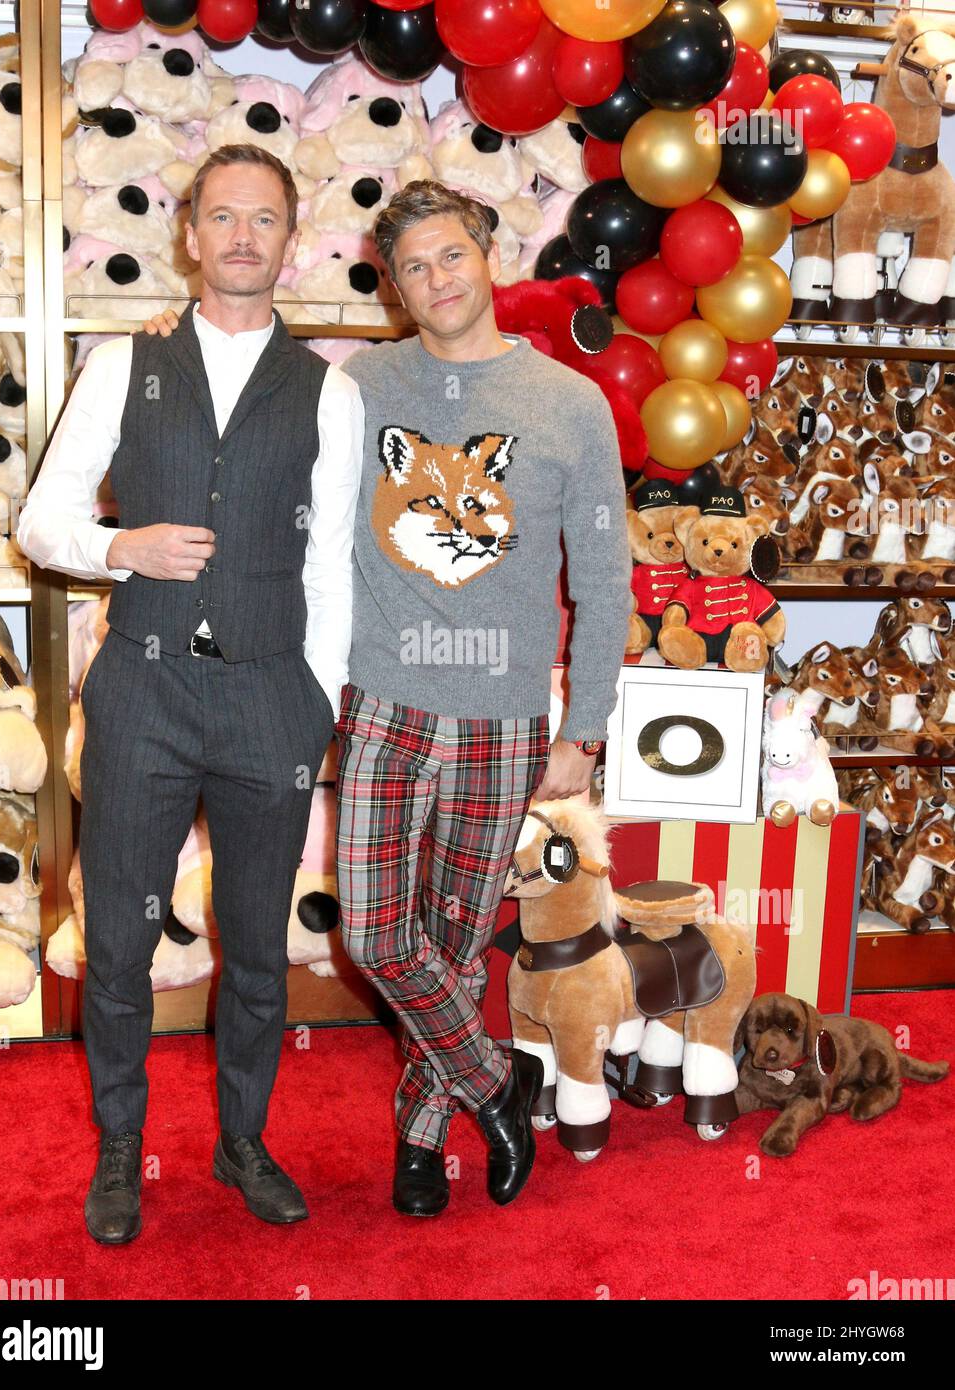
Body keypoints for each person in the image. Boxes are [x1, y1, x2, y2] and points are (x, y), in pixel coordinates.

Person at [17, 144, 363, 1244]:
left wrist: (319, 701)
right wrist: (124, 544)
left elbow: (335, 564)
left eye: (264, 218)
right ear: (190, 235)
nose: (243, 236)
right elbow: (40, 521)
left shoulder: (330, 390)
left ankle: (242, 1139)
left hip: (273, 696)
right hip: (143, 692)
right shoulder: (124, 365)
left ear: (290, 239)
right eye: (223, 216)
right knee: (115, 938)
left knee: (257, 944)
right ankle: (124, 1145)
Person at [336, 180, 631, 1216]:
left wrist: (582, 732)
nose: (434, 280)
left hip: (507, 720)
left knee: (458, 942)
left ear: (488, 254)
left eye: (449, 256)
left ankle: (420, 1138)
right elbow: (256, 417)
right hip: (380, 700)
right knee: (377, 936)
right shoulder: (358, 385)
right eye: (411, 267)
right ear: (394, 286)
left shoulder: (569, 403)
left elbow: (601, 584)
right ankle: (494, 1081)